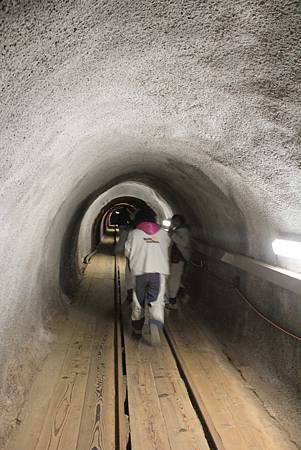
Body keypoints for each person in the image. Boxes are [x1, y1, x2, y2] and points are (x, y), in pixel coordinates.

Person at [125, 209, 170, 345]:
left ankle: (137, 329)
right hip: (158, 272)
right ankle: (155, 325)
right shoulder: (163, 233)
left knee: (138, 302)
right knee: (157, 302)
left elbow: (127, 252)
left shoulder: (134, 234)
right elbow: (167, 246)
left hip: (140, 272)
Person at [166, 214, 191, 309]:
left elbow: (184, 243)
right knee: (173, 279)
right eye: (172, 221)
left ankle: (173, 302)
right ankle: (176, 298)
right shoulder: (176, 231)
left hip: (179, 259)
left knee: (174, 280)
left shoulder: (184, 231)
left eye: (175, 221)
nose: (173, 223)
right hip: (174, 259)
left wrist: (173, 234)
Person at [114, 209, 134, 302]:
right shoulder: (158, 232)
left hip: (132, 260)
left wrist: (118, 249)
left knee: (130, 278)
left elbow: (120, 247)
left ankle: (130, 297)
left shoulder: (129, 230)